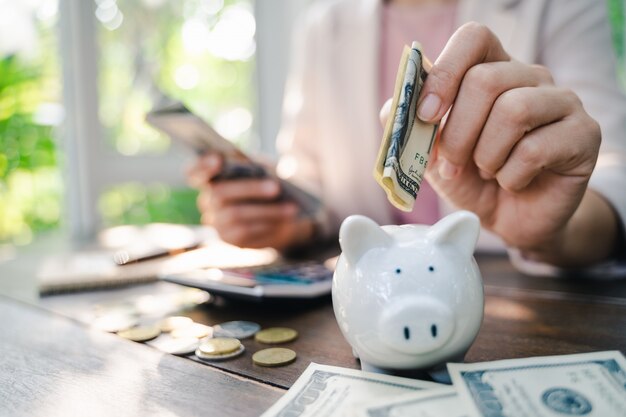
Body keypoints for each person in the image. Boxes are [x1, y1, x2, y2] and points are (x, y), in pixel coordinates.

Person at [188, 0, 626, 271]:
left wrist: (554, 232)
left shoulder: (561, 4)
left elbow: (612, 172)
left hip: (512, 285)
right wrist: (277, 210)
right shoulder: (322, 23)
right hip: (366, 292)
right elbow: (312, 181)